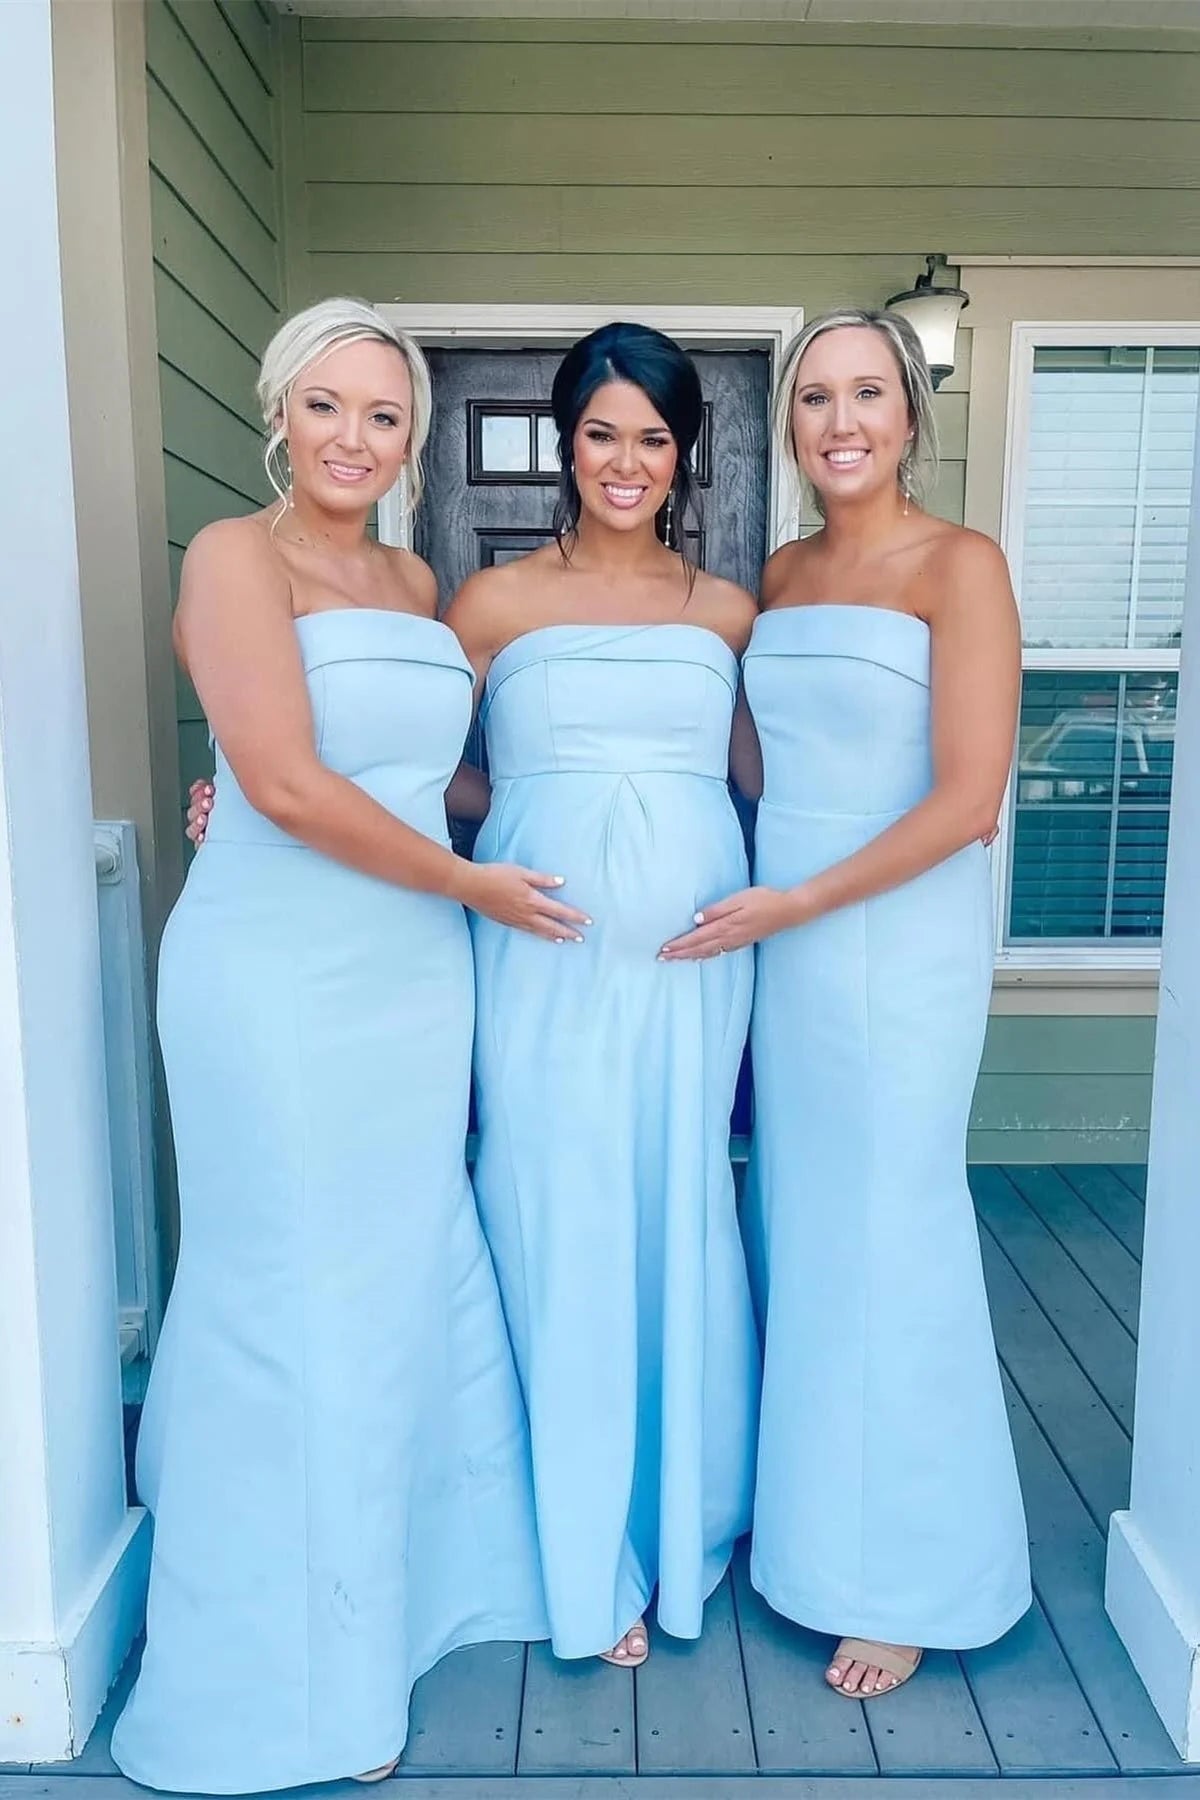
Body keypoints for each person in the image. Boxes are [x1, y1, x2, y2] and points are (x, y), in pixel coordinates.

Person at [112, 298, 563, 1794]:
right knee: (285, 1287)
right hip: (277, 970)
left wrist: (583, 797)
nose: (353, 439)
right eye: (327, 407)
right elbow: (292, 784)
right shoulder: (232, 556)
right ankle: (290, 1682)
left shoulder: (415, 577)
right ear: (278, 414)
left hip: (411, 977)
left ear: (412, 436)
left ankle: (403, 1609)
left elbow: (418, 781)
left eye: (383, 414)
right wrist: (472, 886)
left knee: (397, 1275)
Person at [662, 307, 1031, 1698]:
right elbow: (758, 760)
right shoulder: (785, 573)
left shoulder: (960, 565)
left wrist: (801, 899)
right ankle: (813, 1529)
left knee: (894, 1232)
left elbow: (968, 799)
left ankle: (909, 1577)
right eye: (815, 397)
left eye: (868, 392)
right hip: (790, 937)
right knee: (806, 1230)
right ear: (791, 423)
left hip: (895, 932)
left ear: (910, 415)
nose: (841, 421)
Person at [447, 322, 761, 1668]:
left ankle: (677, 1518)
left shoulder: (729, 615)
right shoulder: (489, 605)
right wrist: (519, 819)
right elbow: (411, 764)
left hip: (694, 964)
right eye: (600, 434)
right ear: (564, 445)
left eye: (652, 437)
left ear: (683, 452)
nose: (625, 461)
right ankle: (575, 1540)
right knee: (553, 1208)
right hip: (542, 956)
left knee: (676, 1207)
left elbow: (780, 778)